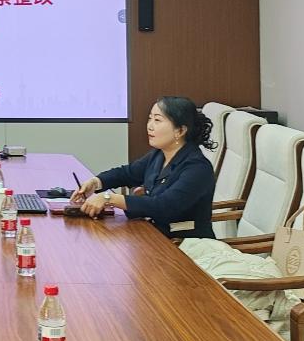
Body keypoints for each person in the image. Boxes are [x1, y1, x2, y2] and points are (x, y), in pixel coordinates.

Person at [70, 96, 218, 238]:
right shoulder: (159, 154)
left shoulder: (197, 168)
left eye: (157, 120)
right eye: (150, 118)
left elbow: (164, 206)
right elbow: (127, 173)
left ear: (180, 131)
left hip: (183, 243)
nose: (150, 126)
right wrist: (96, 183)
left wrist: (109, 198)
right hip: (152, 233)